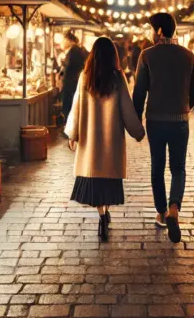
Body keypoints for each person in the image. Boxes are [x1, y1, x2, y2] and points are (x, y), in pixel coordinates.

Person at [65, 37, 145, 241]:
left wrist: (73, 134)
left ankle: (102, 215)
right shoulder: (118, 78)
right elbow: (127, 108)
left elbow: (76, 106)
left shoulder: (86, 76)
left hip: (90, 143)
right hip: (111, 142)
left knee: (95, 182)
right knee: (108, 181)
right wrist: (137, 131)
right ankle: (104, 215)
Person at [133, 13, 194, 243]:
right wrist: (186, 106)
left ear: (160, 31)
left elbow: (139, 91)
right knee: (178, 168)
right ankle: (175, 207)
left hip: (155, 120)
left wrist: (136, 119)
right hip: (180, 121)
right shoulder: (188, 55)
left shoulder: (147, 56)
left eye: (152, 29)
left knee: (157, 166)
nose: (150, 33)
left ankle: (162, 212)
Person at [60, 30, 89, 119]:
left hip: (70, 86)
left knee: (68, 109)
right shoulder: (75, 51)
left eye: (63, 40)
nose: (62, 43)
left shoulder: (74, 51)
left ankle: (68, 130)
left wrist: (62, 78)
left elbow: (69, 68)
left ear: (68, 40)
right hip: (73, 84)